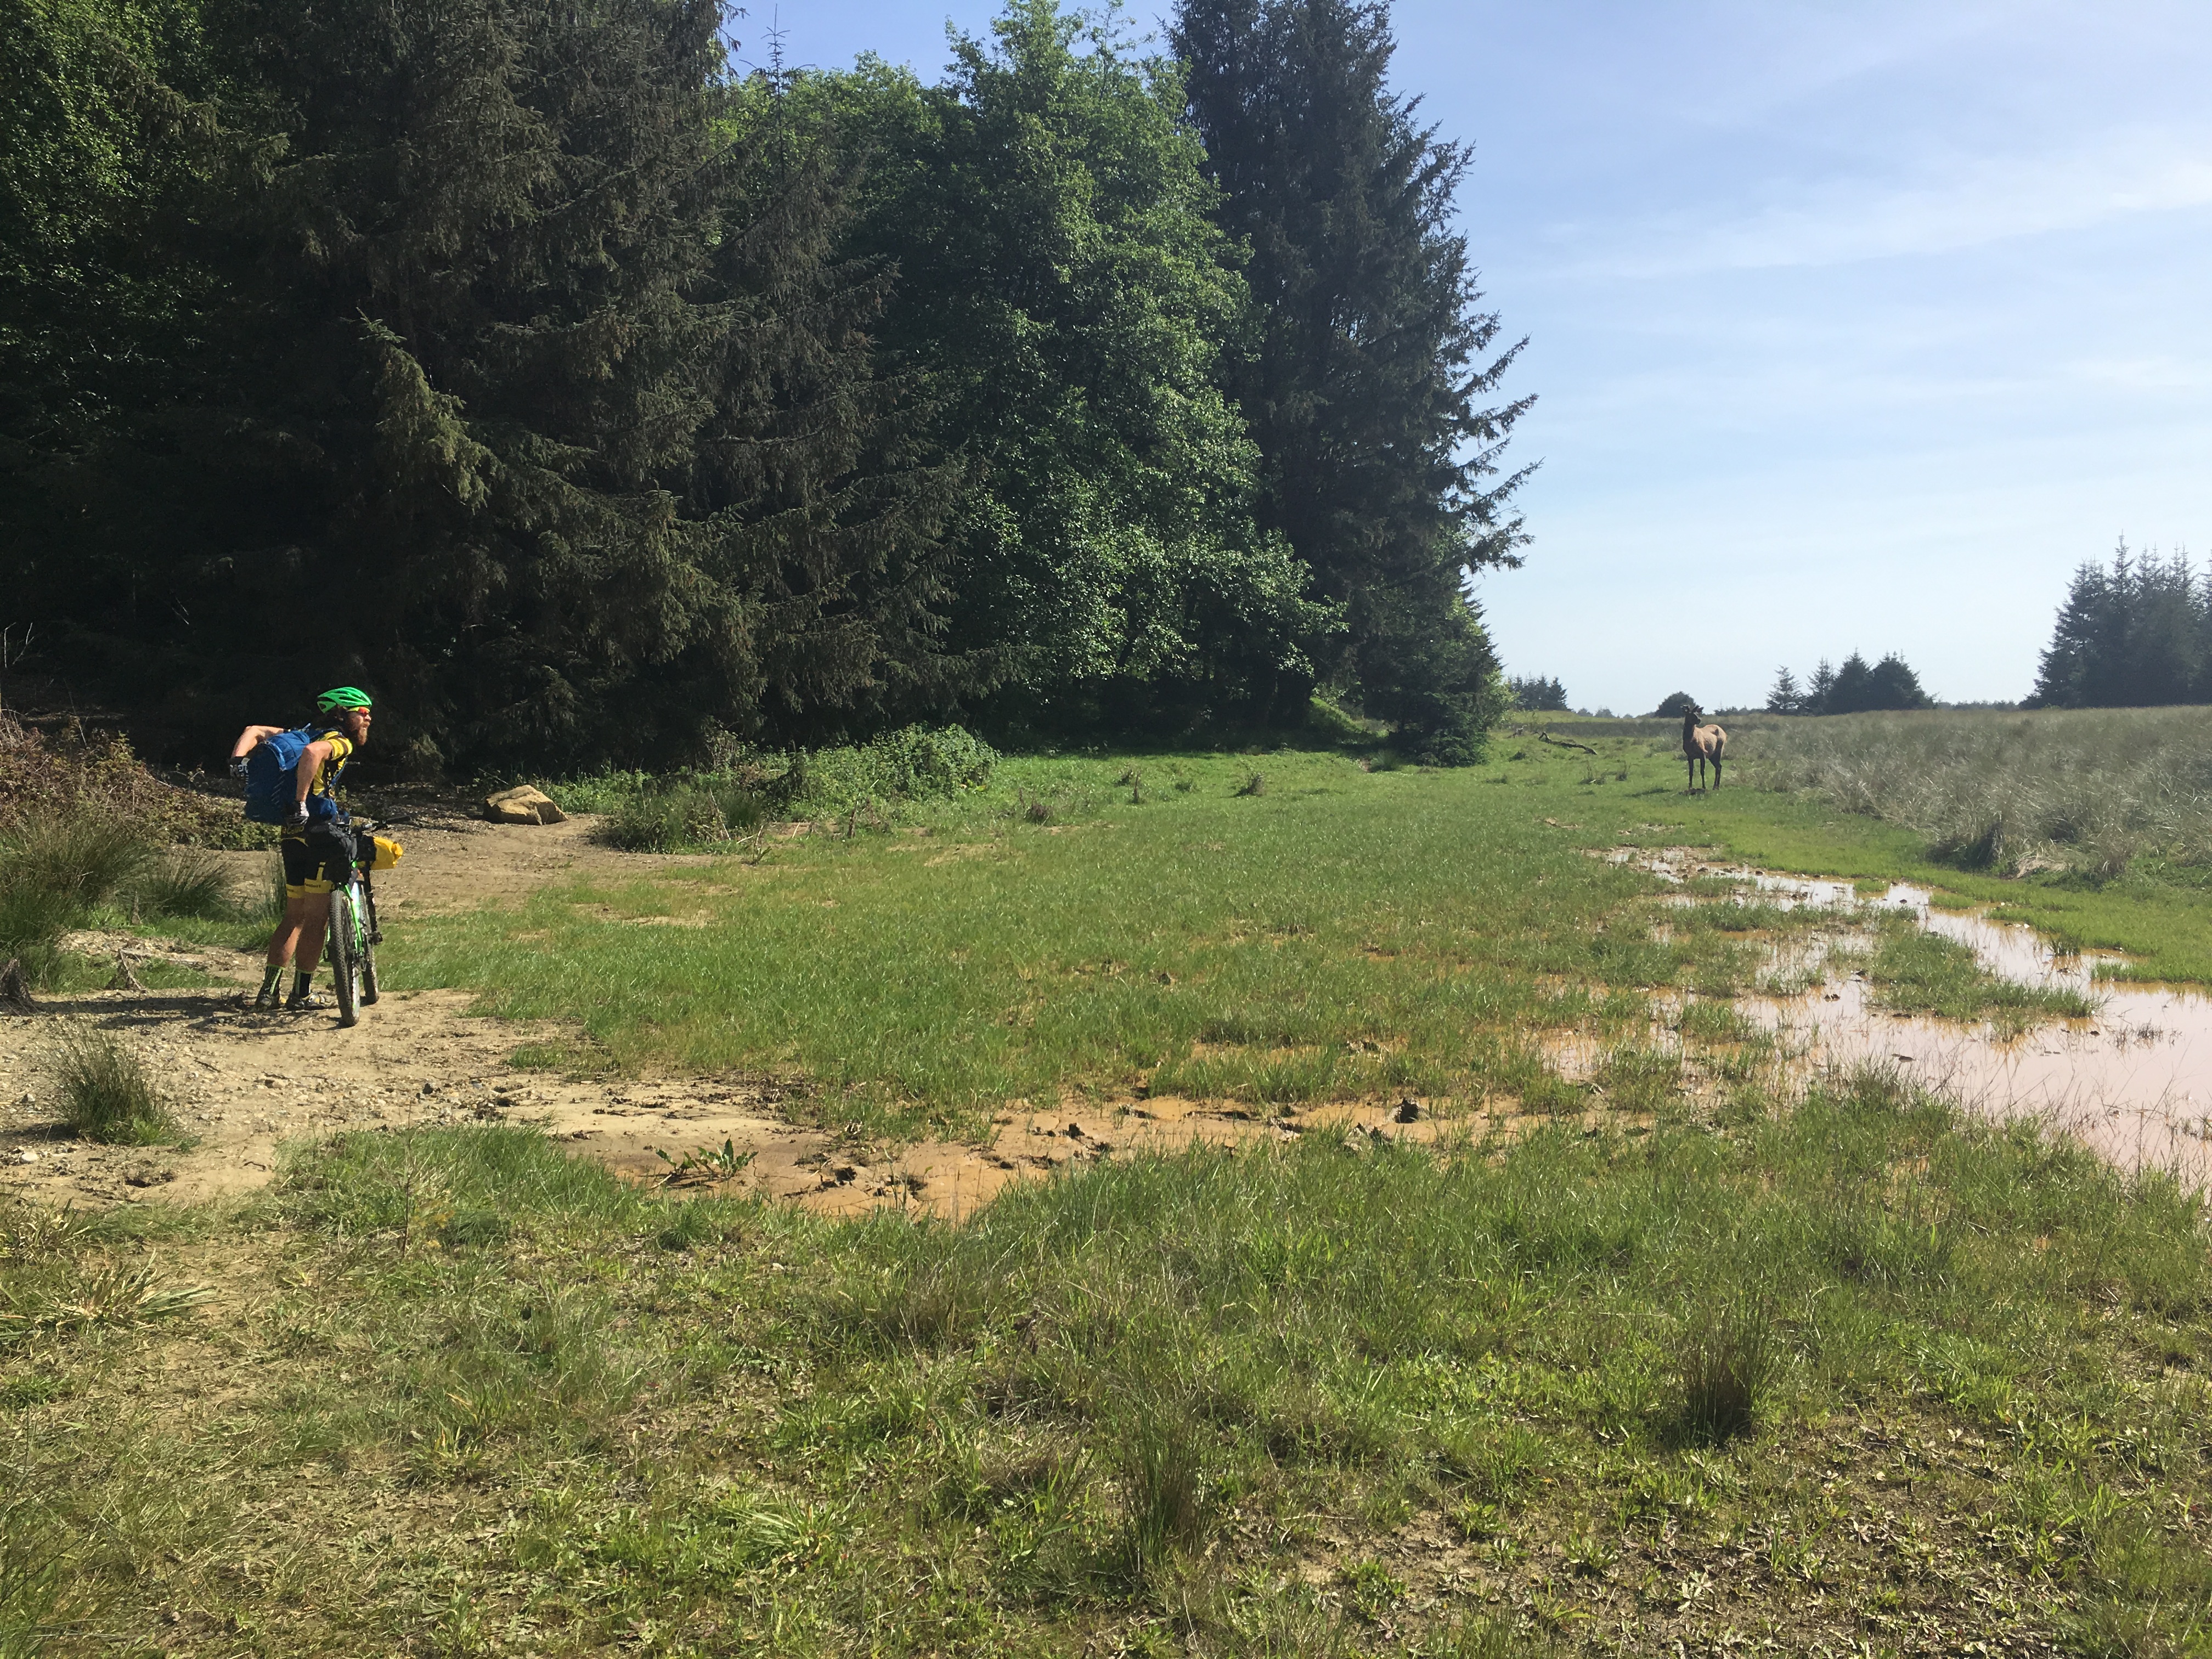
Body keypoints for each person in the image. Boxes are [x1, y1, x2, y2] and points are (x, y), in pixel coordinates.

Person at [228, 688, 374, 1011]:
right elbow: (312, 753)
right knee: (316, 919)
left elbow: (255, 730)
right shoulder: (339, 741)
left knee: (293, 916)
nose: (368, 719)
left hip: (292, 834)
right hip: (320, 834)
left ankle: (268, 992)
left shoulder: (300, 732)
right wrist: (301, 802)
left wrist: (238, 762)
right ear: (342, 713)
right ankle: (301, 994)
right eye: (362, 712)